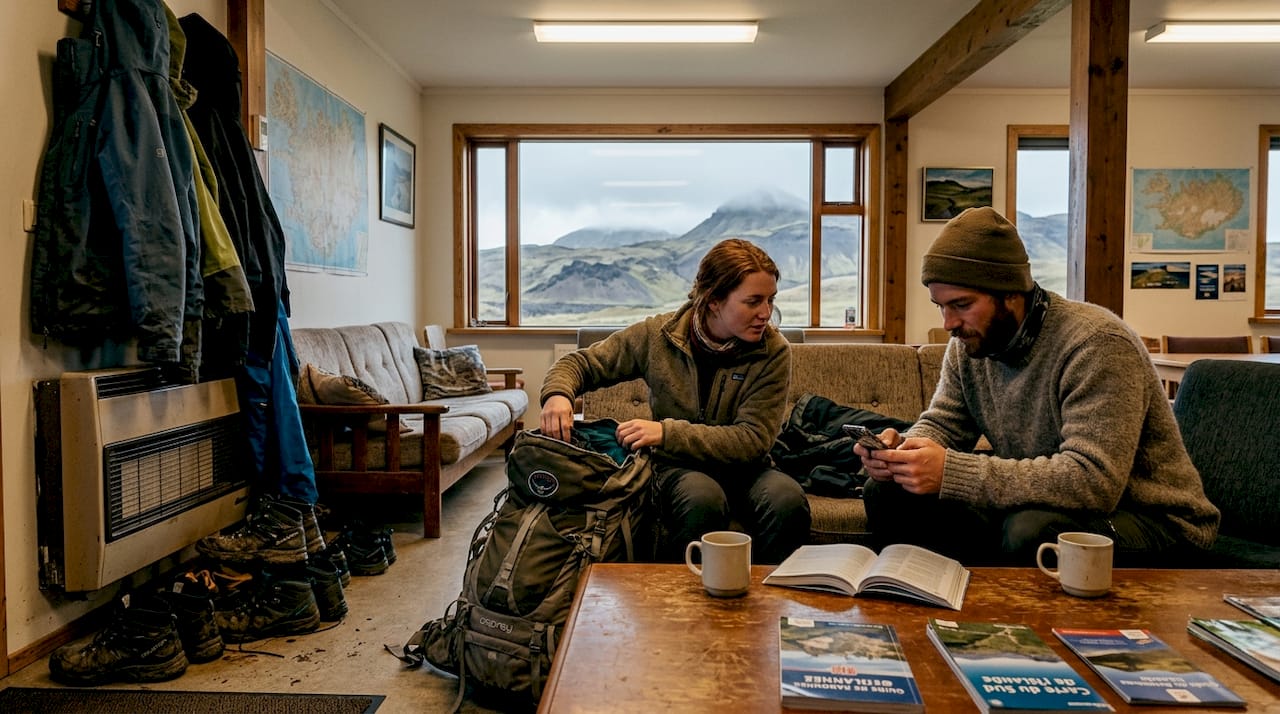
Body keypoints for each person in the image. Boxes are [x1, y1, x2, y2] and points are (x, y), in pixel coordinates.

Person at [854, 207, 1219, 565]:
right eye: (940, 306)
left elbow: (1092, 482)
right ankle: (937, 605)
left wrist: (950, 472)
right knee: (890, 494)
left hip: (1153, 520)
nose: (949, 323)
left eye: (961, 305)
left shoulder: (1097, 344)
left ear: (1011, 293)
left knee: (1032, 530)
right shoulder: (969, 345)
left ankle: (1008, 621)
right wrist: (903, 453)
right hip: (1044, 504)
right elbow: (944, 424)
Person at [539, 238, 811, 564]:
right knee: (702, 499)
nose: (765, 313)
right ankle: (680, 609)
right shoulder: (658, 336)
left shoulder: (774, 351)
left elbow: (752, 440)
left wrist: (665, 434)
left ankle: (769, 607)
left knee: (787, 500)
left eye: (770, 300)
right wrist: (557, 395)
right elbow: (579, 364)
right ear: (713, 300)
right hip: (677, 468)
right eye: (753, 301)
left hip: (748, 469)